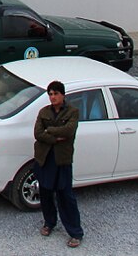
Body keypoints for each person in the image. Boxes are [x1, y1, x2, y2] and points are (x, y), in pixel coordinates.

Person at [34, 80, 83, 248]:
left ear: (63, 95)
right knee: (46, 192)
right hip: (45, 159)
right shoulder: (43, 112)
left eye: (55, 94)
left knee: (65, 196)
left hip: (62, 160)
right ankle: (49, 223)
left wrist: (50, 130)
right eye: (50, 94)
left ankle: (75, 232)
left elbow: (69, 131)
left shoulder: (72, 112)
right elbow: (38, 133)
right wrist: (55, 137)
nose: (53, 97)